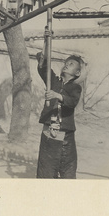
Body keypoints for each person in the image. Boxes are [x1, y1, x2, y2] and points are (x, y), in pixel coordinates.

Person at [36, 29, 85, 179]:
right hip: (48, 131)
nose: (66, 65)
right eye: (66, 63)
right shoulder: (54, 82)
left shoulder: (75, 87)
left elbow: (71, 102)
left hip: (65, 136)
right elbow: (43, 64)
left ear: (77, 73)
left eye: (70, 65)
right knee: (46, 170)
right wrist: (46, 41)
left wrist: (57, 95)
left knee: (67, 171)